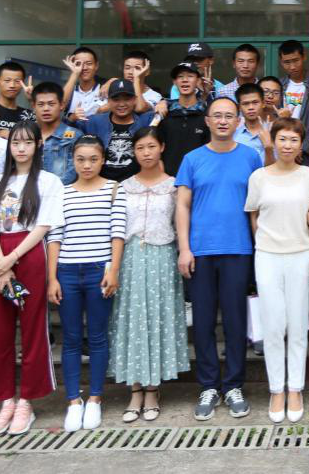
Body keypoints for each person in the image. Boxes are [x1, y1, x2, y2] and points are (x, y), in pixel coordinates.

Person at [0, 121, 64, 436]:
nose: (21, 148)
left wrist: (12, 258)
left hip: (29, 255)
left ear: (38, 145)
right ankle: (5, 401)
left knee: (32, 329)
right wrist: (0, 262)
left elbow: (45, 224)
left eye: (27, 142)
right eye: (16, 142)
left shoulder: (49, 181)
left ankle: (26, 401)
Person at [176, 97, 263, 420]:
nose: (223, 121)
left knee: (235, 320)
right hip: (200, 250)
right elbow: (182, 205)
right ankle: (209, 386)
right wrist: (184, 248)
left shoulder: (250, 157)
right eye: (218, 116)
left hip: (239, 249)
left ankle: (234, 385)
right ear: (208, 121)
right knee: (202, 322)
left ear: (238, 122)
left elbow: (258, 205)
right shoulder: (192, 159)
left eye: (229, 116)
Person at [47, 135, 127, 432]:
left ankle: (94, 398)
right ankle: (73, 400)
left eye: (93, 159)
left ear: (103, 160)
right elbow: (55, 236)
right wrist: (52, 277)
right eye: (80, 159)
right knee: (70, 338)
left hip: (98, 271)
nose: (87, 165)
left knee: (97, 336)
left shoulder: (114, 189)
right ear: (73, 161)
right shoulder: (63, 193)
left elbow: (117, 232)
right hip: (67, 271)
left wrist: (114, 270)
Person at [244, 118, 309, 423]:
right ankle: (277, 389)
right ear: (273, 141)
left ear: (301, 144)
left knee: (298, 323)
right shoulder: (259, 177)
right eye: (282, 139)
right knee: (273, 324)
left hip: (300, 255)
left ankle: (295, 389)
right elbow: (254, 217)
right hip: (267, 256)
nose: (287, 145)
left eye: (293, 140)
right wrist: (262, 245)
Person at [110, 128, 189, 423]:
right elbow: (115, 229)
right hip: (130, 260)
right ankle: (135, 390)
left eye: (151, 146)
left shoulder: (174, 187)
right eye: (140, 147)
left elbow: (180, 225)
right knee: (131, 320)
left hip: (162, 258)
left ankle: (153, 389)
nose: (146, 153)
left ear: (162, 147)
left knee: (157, 319)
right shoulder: (122, 187)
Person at [71, 79, 155, 182]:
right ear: (108, 101)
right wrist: (72, 118)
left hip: (134, 184)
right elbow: (68, 132)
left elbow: (165, 111)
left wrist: (164, 103)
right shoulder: (95, 122)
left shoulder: (145, 122)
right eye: (116, 99)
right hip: (102, 185)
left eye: (127, 99)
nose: (122, 104)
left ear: (134, 100)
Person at [154, 62, 209, 175]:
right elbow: (156, 145)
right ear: (174, 82)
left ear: (198, 81)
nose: (185, 80)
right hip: (169, 178)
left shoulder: (207, 115)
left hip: (198, 176)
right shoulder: (164, 113)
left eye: (190, 76)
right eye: (180, 76)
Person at [33, 81, 79, 184]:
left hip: (62, 191)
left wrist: (53, 189)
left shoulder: (74, 136)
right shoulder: (27, 134)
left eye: (51, 104)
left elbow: (75, 171)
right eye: (41, 104)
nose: (46, 109)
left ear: (61, 105)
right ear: (34, 106)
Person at [278, 40, 309, 164]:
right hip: (282, 150)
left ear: (304, 57)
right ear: (281, 62)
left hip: (307, 155)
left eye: (295, 60)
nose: (292, 67)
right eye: (287, 62)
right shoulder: (279, 86)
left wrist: (303, 147)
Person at [94, 49, 163, 113]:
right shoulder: (111, 87)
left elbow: (140, 108)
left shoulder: (154, 95)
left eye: (137, 68)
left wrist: (136, 79)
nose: (131, 72)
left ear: (147, 71)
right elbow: (99, 111)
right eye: (127, 68)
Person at [232, 82, 275, 165]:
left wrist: (268, 148)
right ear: (239, 107)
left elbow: (279, 168)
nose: (251, 107)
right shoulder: (233, 136)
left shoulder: (275, 132)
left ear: (263, 103)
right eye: (245, 104)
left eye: (255, 102)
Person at [0, 61, 35, 136]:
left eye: (17, 81)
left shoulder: (27, 115)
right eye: (7, 80)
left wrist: (32, 100)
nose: (12, 85)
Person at [62, 46, 104, 118]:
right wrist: (75, 73)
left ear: (96, 66)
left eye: (89, 63)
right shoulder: (70, 92)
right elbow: (60, 106)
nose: (84, 68)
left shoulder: (104, 89)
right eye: (78, 64)